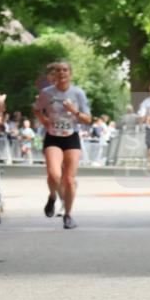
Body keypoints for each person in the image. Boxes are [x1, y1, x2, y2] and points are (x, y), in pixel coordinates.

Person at [33, 61, 92, 227]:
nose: (62, 73)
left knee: (70, 180)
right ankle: (52, 196)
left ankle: (68, 215)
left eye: (65, 70)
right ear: (54, 75)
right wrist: (44, 121)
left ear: (70, 74)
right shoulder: (47, 93)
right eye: (58, 71)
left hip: (71, 136)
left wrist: (74, 111)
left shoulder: (78, 93)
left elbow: (88, 119)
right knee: (54, 174)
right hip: (53, 136)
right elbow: (36, 108)